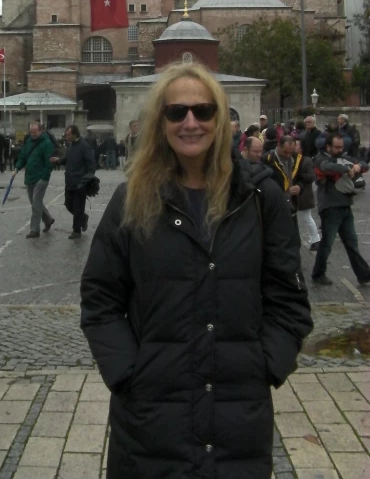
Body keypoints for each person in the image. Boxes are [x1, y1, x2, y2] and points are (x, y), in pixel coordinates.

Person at [81, 62, 312, 478]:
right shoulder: (130, 200)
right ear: (161, 122)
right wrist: (127, 373)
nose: (191, 122)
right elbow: (100, 297)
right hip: (151, 415)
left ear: (221, 120)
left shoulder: (261, 199)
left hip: (237, 416)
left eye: (203, 111)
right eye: (177, 112)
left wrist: (266, 367)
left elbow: (289, 300)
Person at [312, 133, 370, 287]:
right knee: (327, 243)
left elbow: (364, 164)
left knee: (352, 243)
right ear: (328, 146)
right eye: (336, 147)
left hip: (344, 205)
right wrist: (348, 168)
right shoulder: (321, 158)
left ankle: (364, 274)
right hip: (330, 207)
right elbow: (327, 167)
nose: (340, 150)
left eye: (341, 147)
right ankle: (318, 273)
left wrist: (357, 166)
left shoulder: (344, 157)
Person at [51, 125, 96, 240]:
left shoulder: (84, 146)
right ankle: (83, 218)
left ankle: (76, 230)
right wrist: (58, 160)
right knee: (68, 204)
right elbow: (67, 159)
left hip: (80, 183)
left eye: (68, 134)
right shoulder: (70, 146)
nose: (66, 136)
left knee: (78, 207)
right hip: (70, 181)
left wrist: (87, 179)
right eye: (66, 134)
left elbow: (91, 164)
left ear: (75, 134)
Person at [12, 122, 55, 239]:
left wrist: (45, 177)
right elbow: (23, 156)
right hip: (29, 177)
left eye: (35, 132)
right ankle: (48, 219)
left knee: (36, 204)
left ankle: (34, 229)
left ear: (41, 131)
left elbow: (49, 162)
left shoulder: (47, 144)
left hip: (41, 178)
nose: (33, 134)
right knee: (35, 202)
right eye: (31, 132)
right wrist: (17, 168)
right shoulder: (29, 142)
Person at [294, 139, 320, 252]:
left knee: (307, 218)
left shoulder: (306, 160)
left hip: (304, 194)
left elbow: (311, 177)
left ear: (301, 148)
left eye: (296, 145)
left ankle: (315, 240)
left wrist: (297, 175)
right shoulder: (292, 159)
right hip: (296, 194)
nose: (293, 147)